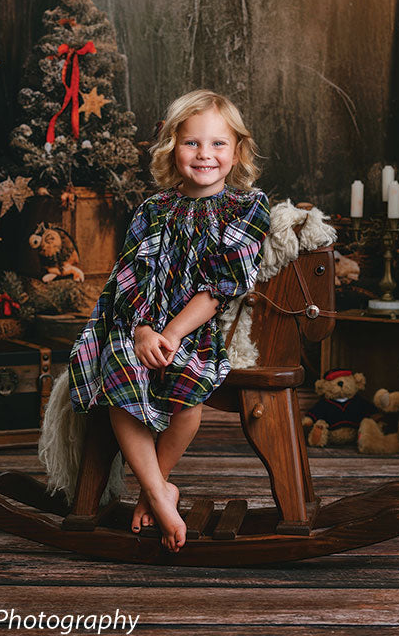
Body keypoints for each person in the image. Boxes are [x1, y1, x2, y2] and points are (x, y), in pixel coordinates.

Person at [68, 89, 271, 552]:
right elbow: (128, 277)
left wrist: (174, 332)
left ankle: (153, 486)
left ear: (237, 150)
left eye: (218, 143)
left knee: (188, 396)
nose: (204, 154)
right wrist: (142, 330)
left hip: (194, 328)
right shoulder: (153, 209)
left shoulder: (247, 207)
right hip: (139, 324)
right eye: (191, 143)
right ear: (172, 147)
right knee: (119, 369)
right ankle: (161, 493)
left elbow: (222, 285)